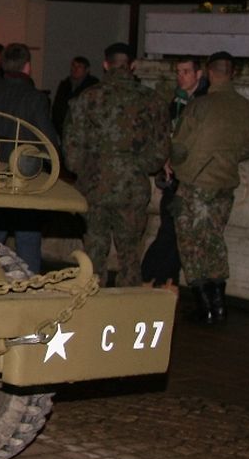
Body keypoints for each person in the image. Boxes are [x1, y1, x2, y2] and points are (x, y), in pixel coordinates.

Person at [63, 43, 169, 287]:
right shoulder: (152, 100)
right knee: (130, 253)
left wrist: (86, 169)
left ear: (105, 64)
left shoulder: (87, 98)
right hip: (132, 186)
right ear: (133, 65)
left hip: (94, 186)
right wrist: (135, 166)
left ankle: (92, 298)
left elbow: (71, 147)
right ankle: (128, 302)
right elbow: (161, 150)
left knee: (94, 250)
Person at [170, 51, 249, 325]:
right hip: (225, 183)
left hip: (196, 184)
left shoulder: (200, 106)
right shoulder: (246, 108)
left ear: (209, 72)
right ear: (233, 73)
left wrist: (176, 166)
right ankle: (219, 306)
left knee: (191, 243)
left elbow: (179, 148)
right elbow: (248, 149)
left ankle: (204, 307)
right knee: (215, 241)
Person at [0, 43, 58, 272]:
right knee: (28, 239)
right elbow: (48, 140)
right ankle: (28, 286)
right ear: (27, 67)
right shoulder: (35, 99)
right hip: (26, 179)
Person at [141, 56, 210, 288]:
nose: (181, 77)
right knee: (169, 226)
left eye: (186, 72)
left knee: (175, 229)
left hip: (190, 175)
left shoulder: (202, 102)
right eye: (178, 72)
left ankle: (158, 275)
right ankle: (159, 276)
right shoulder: (177, 101)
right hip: (173, 175)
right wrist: (165, 160)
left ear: (198, 74)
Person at [51, 56, 99, 135]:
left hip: (83, 129)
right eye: (73, 66)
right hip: (64, 129)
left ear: (87, 70)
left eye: (79, 66)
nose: (75, 69)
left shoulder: (93, 86)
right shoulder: (65, 85)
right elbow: (57, 107)